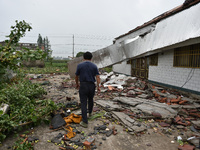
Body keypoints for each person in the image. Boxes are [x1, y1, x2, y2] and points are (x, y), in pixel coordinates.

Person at [75, 52, 101, 128]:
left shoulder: (80, 65)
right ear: (91, 58)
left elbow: (76, 76)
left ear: (83, 58)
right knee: (90, 99)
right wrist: (98, 86)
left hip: (83, 85)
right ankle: (90, 113)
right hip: (91, 85)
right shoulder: (94, 66)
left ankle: (85, 122)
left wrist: (77, 84)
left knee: (83, 102)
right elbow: (98, 77)